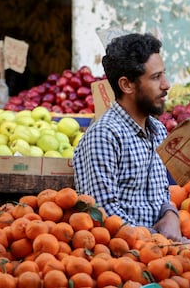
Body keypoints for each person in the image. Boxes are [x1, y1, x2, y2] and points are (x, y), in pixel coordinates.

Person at [73, 32, 182, 241]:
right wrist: (156, 239)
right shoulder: (104, 136)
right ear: (127, 85)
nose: (166, 85)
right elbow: (102, 214)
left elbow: (161, 195)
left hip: (157, 254)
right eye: (156, 77)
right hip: (122, 261)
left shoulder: (158, 131)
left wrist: (170, 213)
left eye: (163, 74)